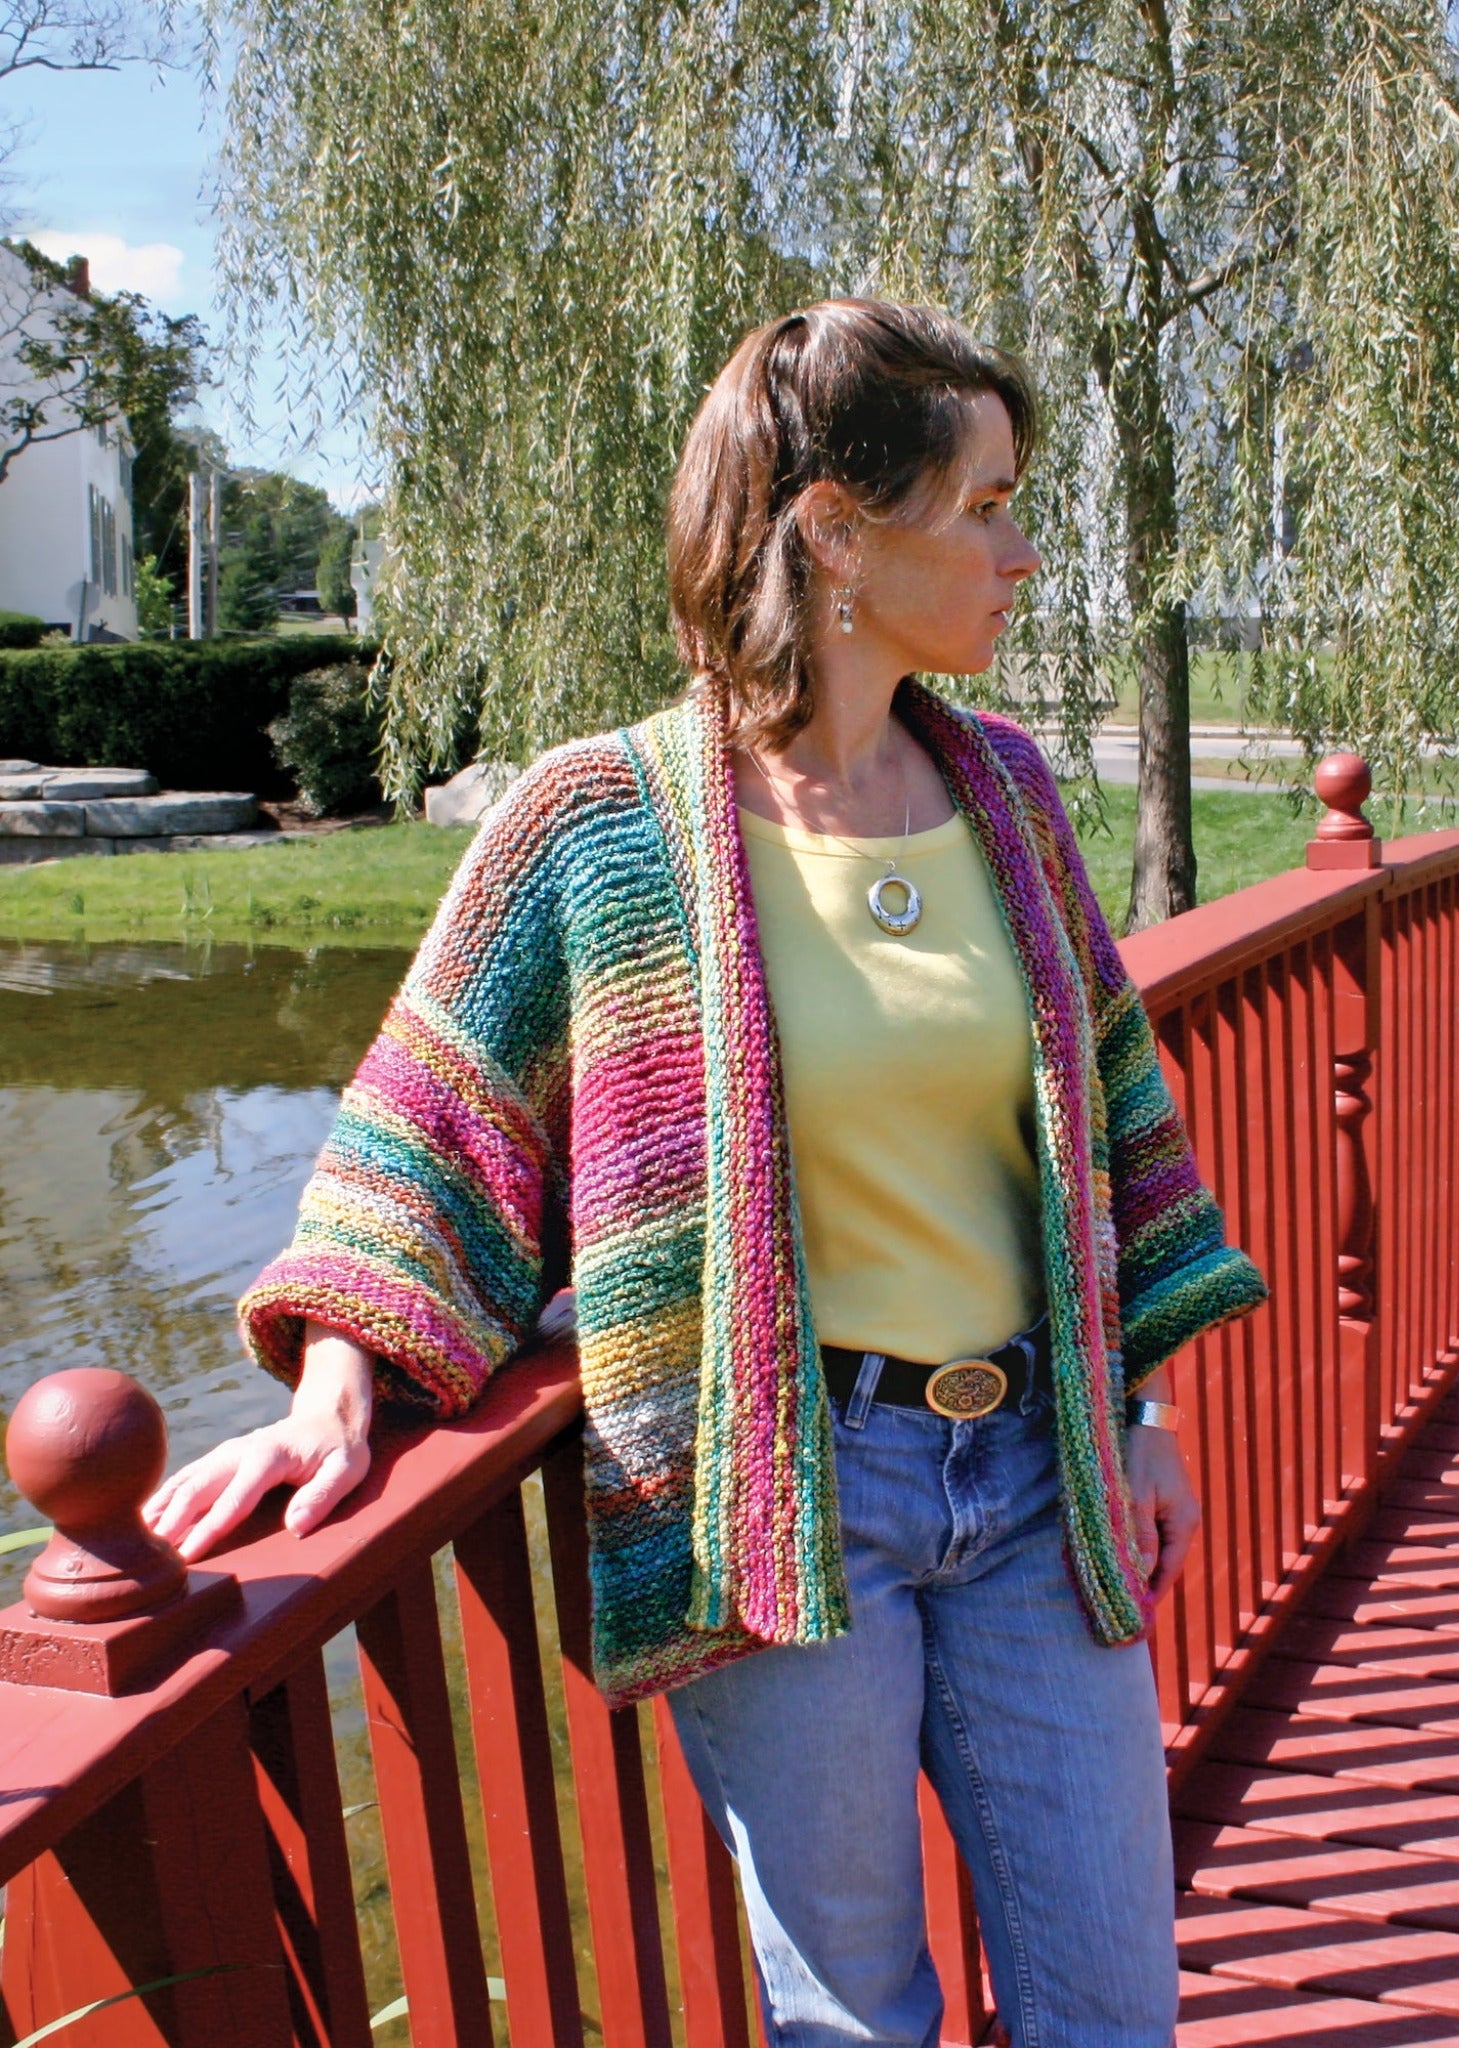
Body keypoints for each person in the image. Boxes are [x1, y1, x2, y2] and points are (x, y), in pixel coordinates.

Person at [145, 299, 1266, 2047]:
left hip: (1041, 1477)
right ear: (834, 530)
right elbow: (433, 1111)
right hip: (780, 1488)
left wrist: (1141, 1410)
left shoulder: (1011, 798)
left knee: (1110, 2002)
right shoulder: (601, 822)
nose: (1023, 552)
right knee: (854, 2020)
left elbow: (1116, 1125)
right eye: (982, 505)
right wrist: (344, 1375)